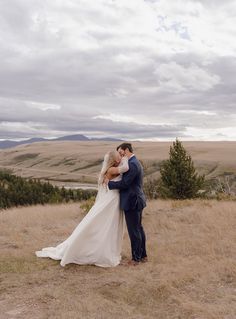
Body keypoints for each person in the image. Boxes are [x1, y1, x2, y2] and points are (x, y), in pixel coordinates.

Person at [35, 150, 129, 267]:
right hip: (110, 200)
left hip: (112, 200)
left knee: (107, 225)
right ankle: (94, 250)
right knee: (103, 224)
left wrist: (122, 158)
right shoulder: (111, 170)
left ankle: (104, 248)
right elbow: (125, 168)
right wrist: (126, 157)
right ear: (115, 159)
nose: (120, 156)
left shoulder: (111, 168)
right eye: (118, 155)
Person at [107, 143, 147, 266]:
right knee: (138, 229)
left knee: (134, 230)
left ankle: (136, 259)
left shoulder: (133, 164)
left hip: (132, 201)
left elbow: (125, 184)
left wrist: (109, 183)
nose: (120, 154)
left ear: (126, 150)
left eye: (120, 152)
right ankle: (142, 255)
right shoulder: (134, 162)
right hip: (136, 199)